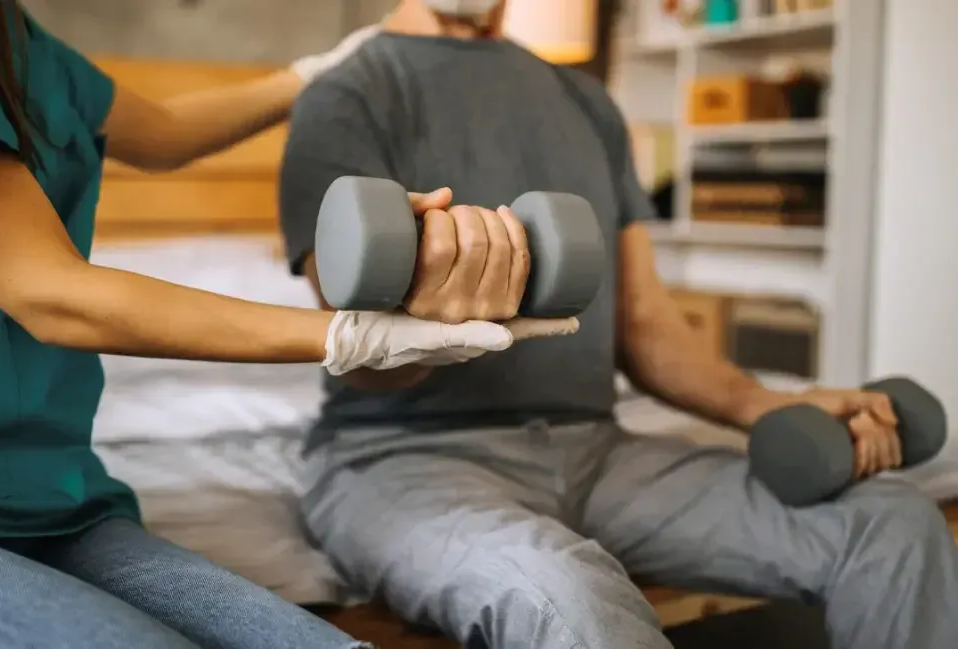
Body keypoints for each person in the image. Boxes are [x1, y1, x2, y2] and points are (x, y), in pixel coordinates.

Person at [0, 1, 540, 648]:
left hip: (34, 494)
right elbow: (50, 291)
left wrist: (319, 69)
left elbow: (164, 134)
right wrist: (345, 336)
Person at [278, 2, 958, 649]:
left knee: (891, 521)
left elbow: (643, 320)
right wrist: (432, 328)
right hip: (398, 455)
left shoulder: (586, 102)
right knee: (568, 589)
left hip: (596, 452)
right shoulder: (345, 95)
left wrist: (768, 404)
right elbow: (357, 356)